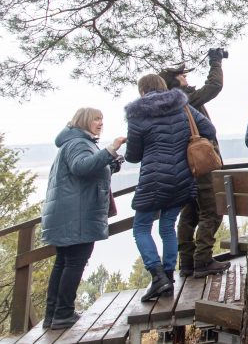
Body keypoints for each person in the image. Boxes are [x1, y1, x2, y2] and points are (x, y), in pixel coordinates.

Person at [125, 74, 216, 301]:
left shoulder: (137, 115)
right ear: (164, 87)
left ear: (142, 92)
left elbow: (133, 157)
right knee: (167, 226)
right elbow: (209, 130)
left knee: (141, 228)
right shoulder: (182, 106)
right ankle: (168, 276)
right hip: (183, 179)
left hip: (154, 180)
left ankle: (157, 277)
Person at [41, 108, 125, 329]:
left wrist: (110, 162)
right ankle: (63, 314)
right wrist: (110, 150)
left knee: (63, 263)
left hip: (68, 213)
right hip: (77, 215)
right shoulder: (78, 143)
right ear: (84, 121)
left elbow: (88, 170)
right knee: (75, 262)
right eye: (96, 119)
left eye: (102, 119)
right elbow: (81, 168)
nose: (100, 123)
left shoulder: (75, 142)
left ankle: (53, 316)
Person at [160, 49, 229, 279]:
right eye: (183, 76)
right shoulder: (183, 98)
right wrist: (215, 61)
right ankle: (203, 260)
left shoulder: (166, 105)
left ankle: (187, 262)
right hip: (201, 165)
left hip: (184, 166)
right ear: (175, 82)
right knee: (212, 210)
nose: (187, 79)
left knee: (190, 212)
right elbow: (214, 86)